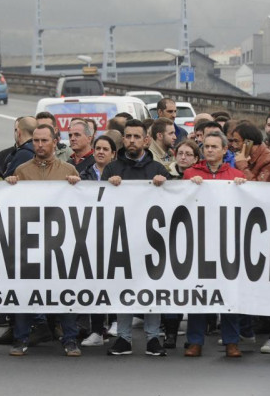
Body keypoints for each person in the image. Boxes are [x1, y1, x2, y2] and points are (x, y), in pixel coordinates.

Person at [4, 124, 82, 357]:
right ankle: (21, 339)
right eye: (35, 141)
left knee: (64, 292)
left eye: (44, 141)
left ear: (54, 142)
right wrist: (9, 186)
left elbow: (81, 205)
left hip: (60, 243)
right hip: (30, 242)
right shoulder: (22, 170)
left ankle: (70, 339)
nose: (39, 145)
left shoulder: (68, 170)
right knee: (26, 291)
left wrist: (77, 187)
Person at [105, 119, 169, 357]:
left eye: (136, 136)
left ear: (146, 140)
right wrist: (109, 185)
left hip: (152, 240)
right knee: (124, 287)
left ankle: (153, 338)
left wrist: (164, 185)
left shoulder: (158, 170)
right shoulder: (112, 169)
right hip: (122, 238)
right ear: (123, 139)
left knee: (152, 286)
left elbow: (172, 202)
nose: (131, 140)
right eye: (128, 136)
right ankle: (124, 337)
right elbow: (97, 201)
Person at [181, 130, 246, 359]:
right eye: (206, 146)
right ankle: (195, 341)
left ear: (224, 150)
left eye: (214, 147)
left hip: (227, 242)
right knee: (198, 292)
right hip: (199, 241)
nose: (209, 150)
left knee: (229, 292)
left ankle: (231, 341)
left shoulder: (236, 174)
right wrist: (190, 186)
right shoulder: (190, 173)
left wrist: (242, 186)